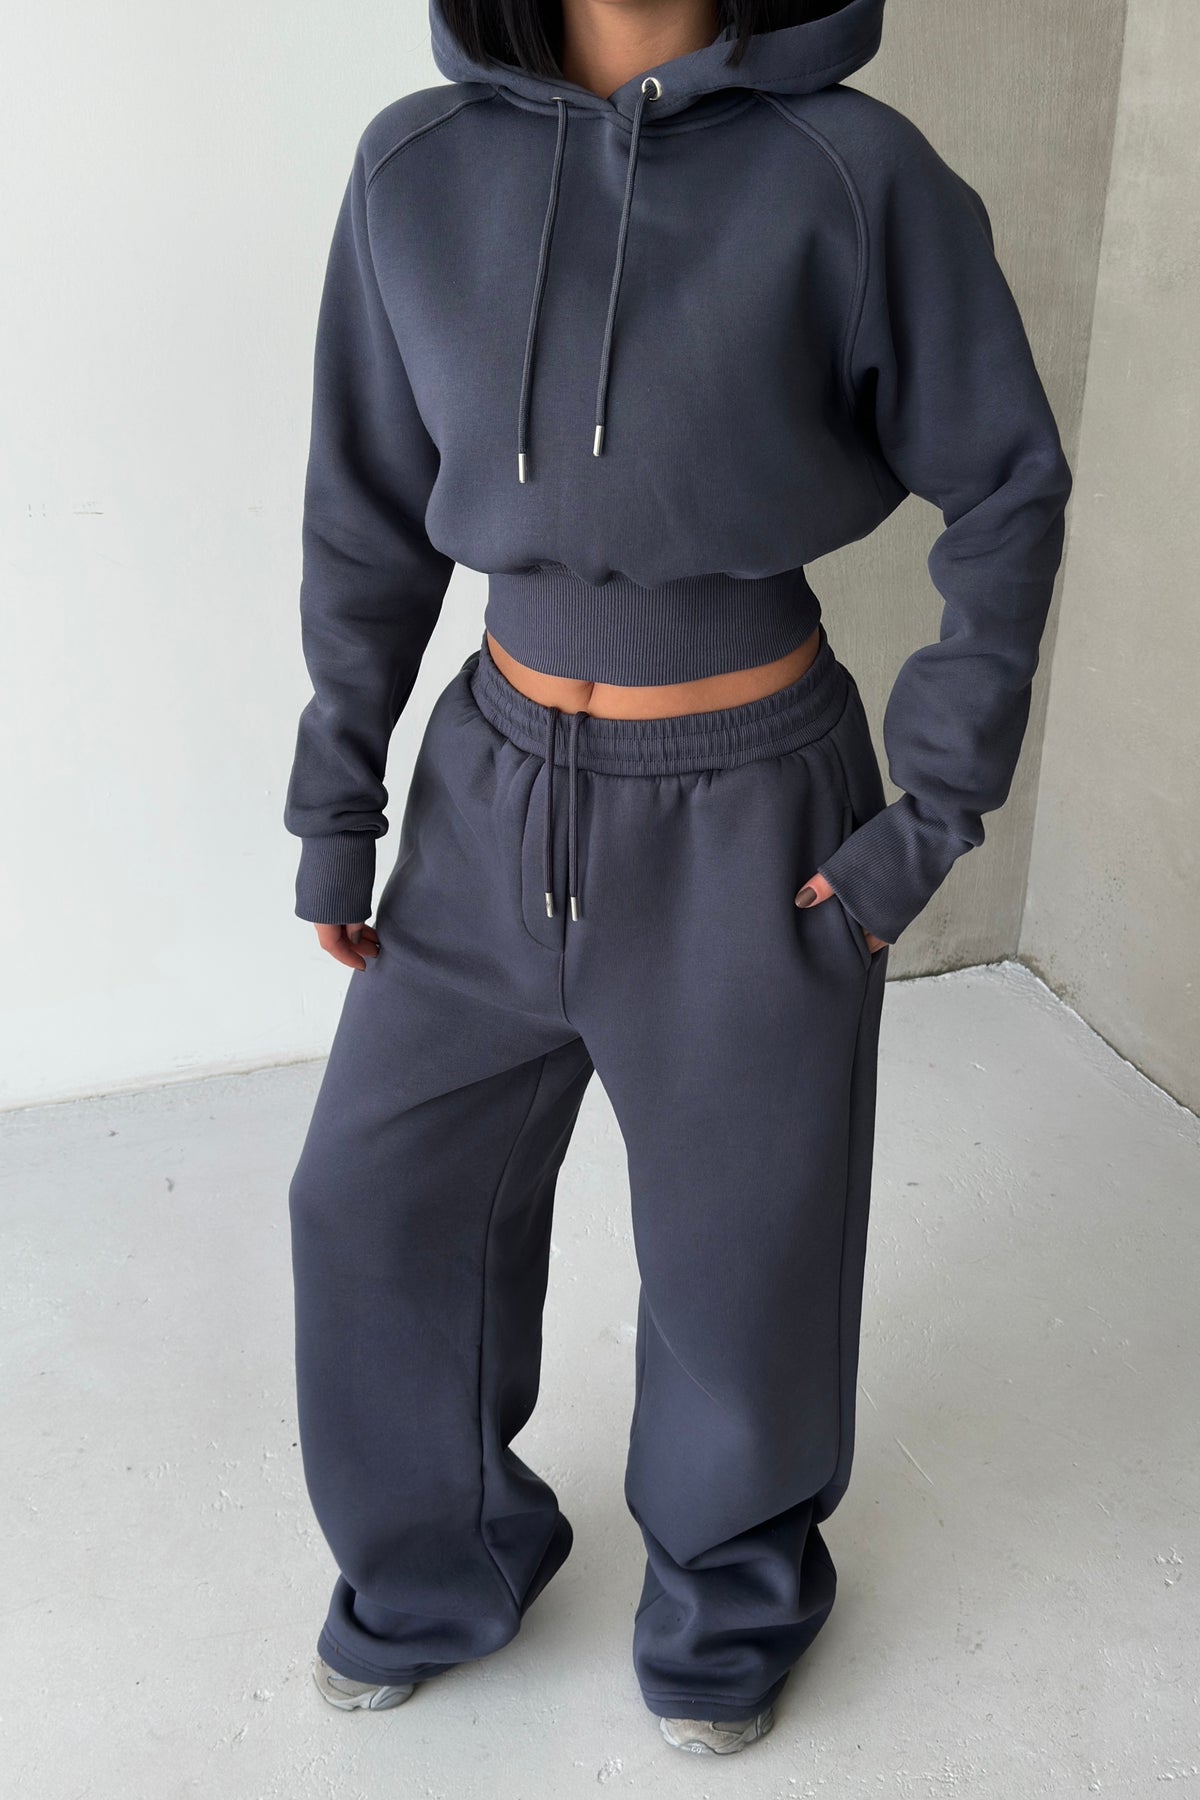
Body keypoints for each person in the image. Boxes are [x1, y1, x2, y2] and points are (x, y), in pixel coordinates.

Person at [282, 0, 1073, 1757]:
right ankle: (438, 1559)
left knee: (742, 1260)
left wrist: (925, 821)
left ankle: (725, 1606)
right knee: (373, 1204)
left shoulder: (852, 173)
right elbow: (363, 505)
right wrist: (341, 796)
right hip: (486, 794)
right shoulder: (415, 169)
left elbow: (1008, 487)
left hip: (749, 812)